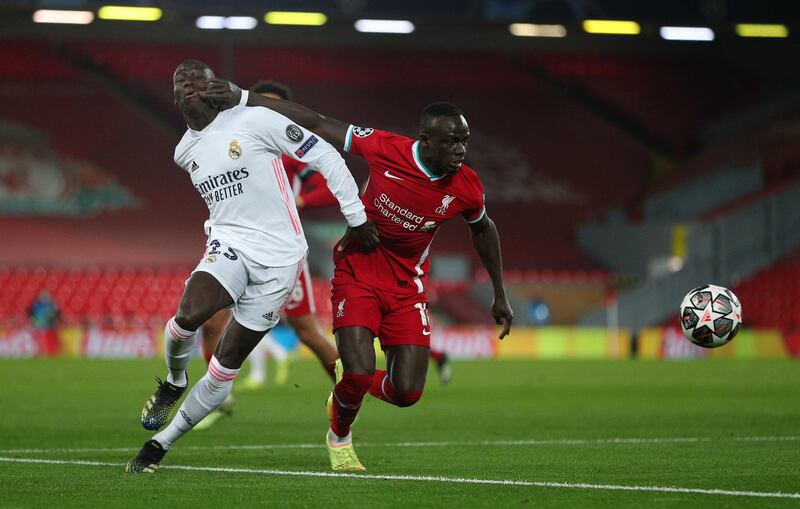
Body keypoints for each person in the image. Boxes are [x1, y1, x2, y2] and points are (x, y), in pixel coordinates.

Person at [200, 82, 513, 471]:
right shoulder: (386, 148)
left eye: (464, 141)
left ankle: (347, 389)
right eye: (452, 142)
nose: (461, 150)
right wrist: (241, 96)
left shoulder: (466, 185)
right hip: (358, 273)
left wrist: (499, 293)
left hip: (407, 286)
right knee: (360, 370)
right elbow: (318, 121)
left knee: (407, 393)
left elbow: (483, 228)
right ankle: (340, 436)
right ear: (426, 139)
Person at [125, 60, 378, 473]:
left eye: (196, 78)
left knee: (225, 368)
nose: (187, 84)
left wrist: (355, 216)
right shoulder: (183, 151)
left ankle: (160, 444)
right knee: (188, 315)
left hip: (281, 259)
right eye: (179, 82)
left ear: (213, 88)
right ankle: (173, 382)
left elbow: (327, 154)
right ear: (174, 98)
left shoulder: (256, 119)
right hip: (229, 244)